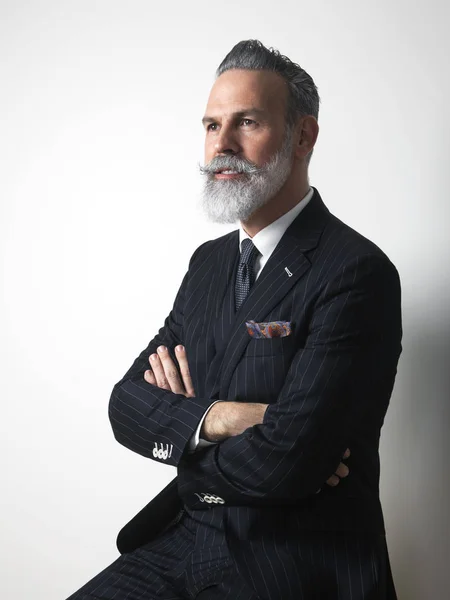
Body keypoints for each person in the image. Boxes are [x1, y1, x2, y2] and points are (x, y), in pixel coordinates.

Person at [67, 39, 402, 600]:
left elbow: (289, 462)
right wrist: (218, 418)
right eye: (210, 124)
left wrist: (184, 449)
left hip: (293, 563)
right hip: (183, 546)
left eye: (246, 121)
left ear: (303, 136)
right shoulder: (209, 263)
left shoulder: (355, 272)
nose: (221, 145)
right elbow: (125, 402)